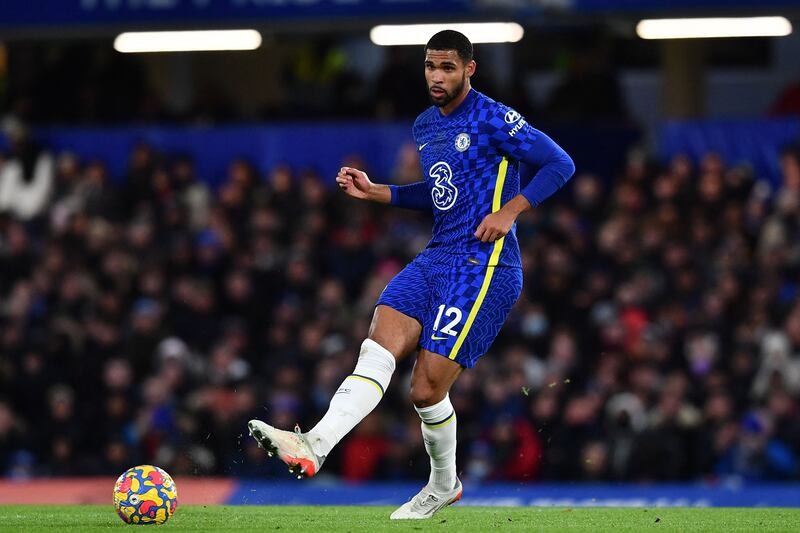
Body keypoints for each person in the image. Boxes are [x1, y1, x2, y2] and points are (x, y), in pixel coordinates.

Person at [248, 30, 575, 520]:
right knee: (378, 341)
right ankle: (315, 443)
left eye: (447, 67)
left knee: (424, 391)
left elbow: (559, 162)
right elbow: (439, 193)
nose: (436, 77)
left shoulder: (493, 118)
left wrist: (511, 211)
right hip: (437, 256)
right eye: (429, 67)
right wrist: (377, 191)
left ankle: (444, 484)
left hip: (483, 264)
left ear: (470, 68)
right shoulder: (426, 125)